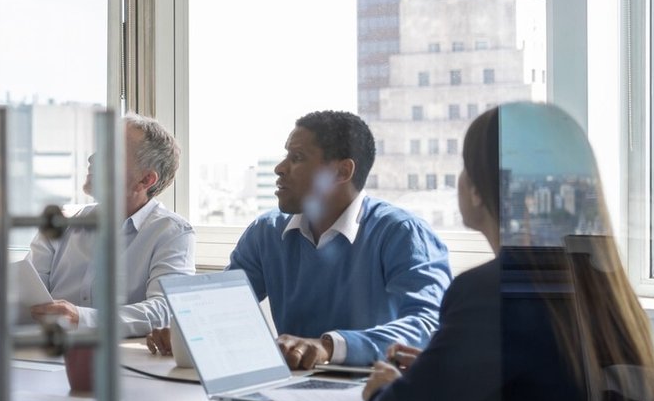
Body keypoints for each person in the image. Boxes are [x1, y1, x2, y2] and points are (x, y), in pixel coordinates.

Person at [360, 102, 654, 401]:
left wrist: (383, 392)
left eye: (464, 167)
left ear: (478, 189)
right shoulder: (605, 290)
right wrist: (439, 375)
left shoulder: (490, 292)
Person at [147, 111, 451, 369]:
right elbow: (222, 307)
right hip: (288, 390)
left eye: (297, 157)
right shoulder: (267, 231)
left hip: (374, 392)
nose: (280, 168)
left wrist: (328, 347)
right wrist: (187, 329)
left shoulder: (402, 232)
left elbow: (428, 325)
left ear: (342, 171)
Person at [0, 115, 196, 338]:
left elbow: (166, 309)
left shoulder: (171, 233)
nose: (92, 158)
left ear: (146, 180)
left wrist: (81, 318)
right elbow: (29, 297)